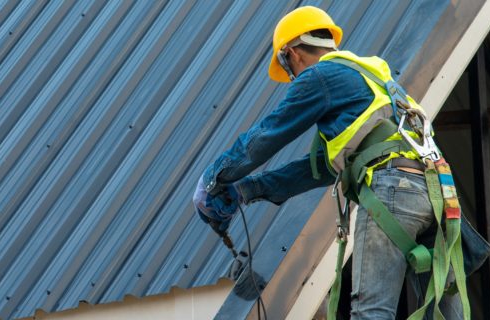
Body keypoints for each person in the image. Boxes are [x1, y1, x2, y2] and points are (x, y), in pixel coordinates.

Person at [192, 6, 467, 319]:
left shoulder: (319, 76)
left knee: (371, 311)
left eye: (289, 71)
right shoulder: (370, 80)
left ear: (290, 54)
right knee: (444, 311)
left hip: (391, 188)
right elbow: (319, 168)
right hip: (435, 193)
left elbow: (267, 135)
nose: (293, 79)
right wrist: (246, 190)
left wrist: (214, 178)